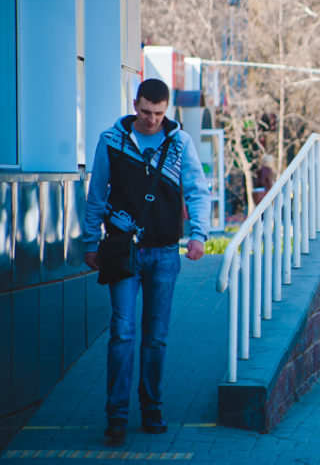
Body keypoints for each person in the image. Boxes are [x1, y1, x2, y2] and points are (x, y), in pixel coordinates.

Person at [83, 79, 211, 439]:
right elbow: (96, 195)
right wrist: (90, 241)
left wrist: (199, 234)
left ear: (166, 109)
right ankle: (117, 415)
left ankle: (152, 410)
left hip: (166, 252)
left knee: (156, 337)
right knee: (121, 332)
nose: (152, 119)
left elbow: (198, 191)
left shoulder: (179, 143)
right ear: (134, 104)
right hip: (123, 250)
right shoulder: (111, 140)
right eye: (145, 111)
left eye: (158, 113)